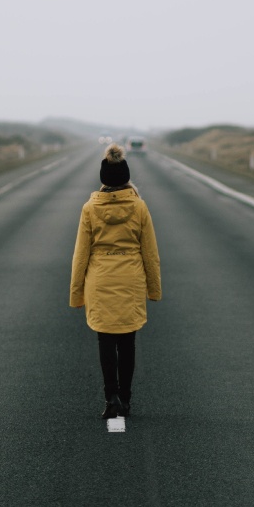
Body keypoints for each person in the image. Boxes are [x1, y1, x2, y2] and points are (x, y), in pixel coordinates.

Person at [70, 143, 162, 419]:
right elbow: (150, 252)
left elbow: (80, 254)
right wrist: (154, 289)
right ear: (126, 177)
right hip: (130, 279)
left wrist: (76, 294)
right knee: (127, 342)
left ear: (103, 178)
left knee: (106, 341)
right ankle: (126, 398)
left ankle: (110, 398)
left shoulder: (90, 208)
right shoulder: (139, 207)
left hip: (100, 280)